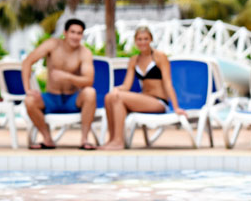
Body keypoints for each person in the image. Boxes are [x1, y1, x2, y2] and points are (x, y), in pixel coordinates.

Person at [99, 26, 185, 150]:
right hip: (144, 99)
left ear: (151, 40)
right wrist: (117, 88)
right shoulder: (134, 60)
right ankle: (112, 140)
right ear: (135, 41)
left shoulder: (159, 57)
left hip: (158, 102)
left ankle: (119, 141)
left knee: (116, 97)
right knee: (110, 96)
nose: (143, 42)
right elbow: (126, 86)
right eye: (139, 39)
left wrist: (176, 107)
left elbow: (168, 83)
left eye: (146, 39)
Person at [22, 18, 98, 150]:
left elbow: (88, 81)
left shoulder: (84, 53)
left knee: (90, 93)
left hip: (72, 99)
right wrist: (28, 89)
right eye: (72, 32)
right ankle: (47, 138)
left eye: (79, 33)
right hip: (51, 97)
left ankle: (84, 139)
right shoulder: (52, 45)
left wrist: (68, 77)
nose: (75, 36)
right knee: (29, 100)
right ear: (65, 32)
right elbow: (27, 62)